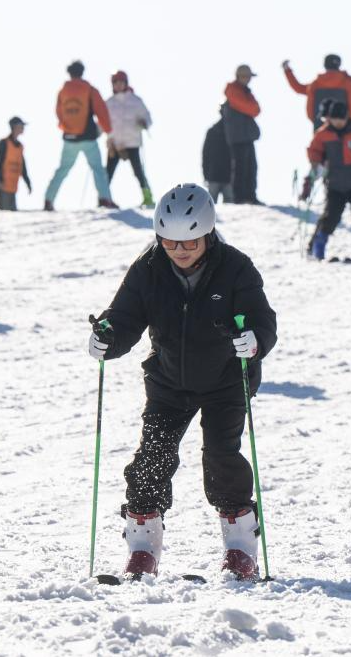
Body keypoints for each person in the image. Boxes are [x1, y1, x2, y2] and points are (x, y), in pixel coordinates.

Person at [87, 184, 278, 580]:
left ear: (208, 234)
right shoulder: (149, 269)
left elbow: (263, 320)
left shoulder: (236, 268)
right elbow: (124, 315)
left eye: (190, 242)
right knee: (151, 460)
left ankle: (241, 549)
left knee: (222, 458)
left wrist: (255, 340)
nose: (181, 250)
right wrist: (108, 336)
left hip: (226, 379)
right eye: (171, 242)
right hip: (170, 380)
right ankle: (142, 550)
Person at [304, 101, 351, 260]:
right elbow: (314, 150)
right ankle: (316, 247)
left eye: (340, 119)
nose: (338, 122)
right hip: (334, 184)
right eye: (334, 119)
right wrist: (316, 163)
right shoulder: (323, 133)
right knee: (331, 216)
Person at [44, 61, 118, 211]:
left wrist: (65, 127)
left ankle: (48, 199)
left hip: (69, 138)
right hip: (88, 138)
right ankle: (105, 199)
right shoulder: (89, 90)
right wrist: (108, 131)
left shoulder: (62, 91)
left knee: (63, 169)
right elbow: (101, 111)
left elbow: (58, 112)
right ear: (82, 72)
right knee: (97, 169)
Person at [105, 70, 154, 207]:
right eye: (116, 83)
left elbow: (147, 117)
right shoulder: (109, 103)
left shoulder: (135, 101)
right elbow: (103, 122)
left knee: (138, 171)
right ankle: (104, 198)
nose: (119, 85)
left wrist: (144, 123)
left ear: (126, 83)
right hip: (115, 144)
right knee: (107, 173)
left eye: (121, 82)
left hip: (132, 142)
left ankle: (148, 197)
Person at [282, 54, 351, 130]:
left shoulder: (316, 84)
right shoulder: (349, 83)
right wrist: (349, 120)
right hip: (344, 128)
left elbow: (298, 88)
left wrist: (287, 70)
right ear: (339, 65)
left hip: (320, 127)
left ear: (325, 65)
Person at [221, 65, 262, 205]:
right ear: (240, 76)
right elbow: (253, 109)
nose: (249, 79)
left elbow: (255, 109)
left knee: (251, 167)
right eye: (247, 76)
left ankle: (250, 196)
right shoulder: (234, 91)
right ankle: (240, 198)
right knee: (241, 168)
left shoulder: (244, 91)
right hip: (238, 137)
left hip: (246, 136)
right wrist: (251, 107)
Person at [0, 116, 32, 210]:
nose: (23, 128)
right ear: (14, 127)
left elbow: (22, 167)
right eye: (21, 125)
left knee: (12, 215)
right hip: (2, 186)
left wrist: (28, 183)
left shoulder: (20, 147)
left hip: (12, 187)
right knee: (5, 215)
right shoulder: (4, 143)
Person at [202, 117, 233, 204]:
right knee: (212, 206)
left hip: (217, 176)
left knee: (210, 206)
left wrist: (205, 175)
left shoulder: (212, 131)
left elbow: (205, 155)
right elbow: (205, 155)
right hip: (223, 176)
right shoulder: (232, 132)